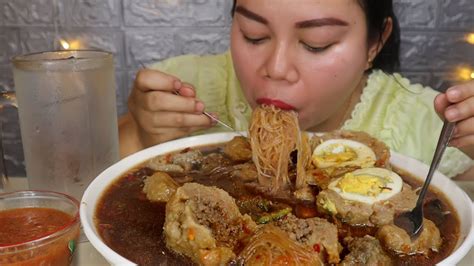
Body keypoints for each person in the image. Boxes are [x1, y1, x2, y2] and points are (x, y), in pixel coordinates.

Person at [119, 0, 474, 179]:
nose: (276, 69)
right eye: (253, 35)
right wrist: (140, 134)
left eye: (316, 43)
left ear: (374, 44)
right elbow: (76, 179)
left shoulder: (430, 122)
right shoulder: (187, 89)